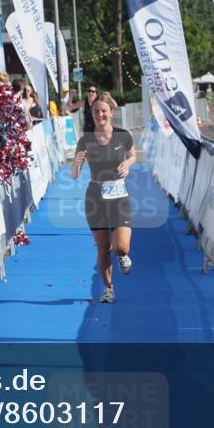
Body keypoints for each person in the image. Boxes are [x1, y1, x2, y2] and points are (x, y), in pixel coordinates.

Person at [71, 93, 136, 304]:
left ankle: (122, 255)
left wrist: (127, 164)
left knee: (120, 247)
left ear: (111, 112)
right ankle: (108, 289)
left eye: (104, 111)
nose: (100, 114)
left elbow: (133, 155)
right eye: (96, 111)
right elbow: (74, 173)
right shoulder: (85, 140)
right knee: (102, 249)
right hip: (95, 198)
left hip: (119, 196)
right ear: (92, 113)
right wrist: (77, 162)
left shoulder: (123, 135)